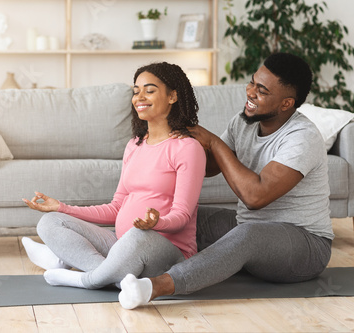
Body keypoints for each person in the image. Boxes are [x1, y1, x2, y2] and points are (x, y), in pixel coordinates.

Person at [118, 52, 335, 310]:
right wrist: (179, 143)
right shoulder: (243, 122)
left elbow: (255, 197)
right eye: (252, 82)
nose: (250, 92)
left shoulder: (302, 137)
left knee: (247, 235)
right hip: (246, 226)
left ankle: (155, 286)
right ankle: (112, 259)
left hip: (304, 244)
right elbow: (210, 167)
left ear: (287, 103)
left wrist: (212, 141)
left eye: (262, 91)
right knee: (185, 218)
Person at [22, 62, 206, 290]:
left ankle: (85, 279)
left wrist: (157, 222)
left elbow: (183, 215)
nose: (140, 97)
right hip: (122, 244)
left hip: (165, 250)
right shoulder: (134, 145)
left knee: (136, 236)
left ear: (172, 96)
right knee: (49, 222)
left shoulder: (187, 148)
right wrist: (61, 207)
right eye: (136, 91)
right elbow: (116, 207)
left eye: (149, 90)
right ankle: (118, 279)